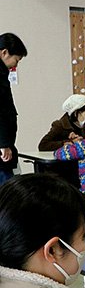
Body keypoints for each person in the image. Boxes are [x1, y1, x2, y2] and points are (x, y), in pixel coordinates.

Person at [0, 33, 27, 186]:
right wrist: (3, 144)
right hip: (2, 149)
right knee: (8, 191)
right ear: (4, 52)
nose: (15, 66)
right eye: (16, 60)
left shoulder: (3, 74)